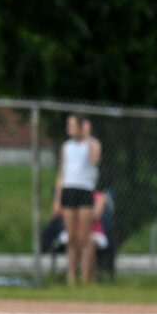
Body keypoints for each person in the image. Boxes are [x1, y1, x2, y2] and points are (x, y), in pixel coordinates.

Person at [53, 115, 102, 285]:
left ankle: (85, 277)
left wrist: (87, 137)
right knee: (71, 237)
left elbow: (94, 160)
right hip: (69, 190)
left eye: (73, 125)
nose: (69, 128)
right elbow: (62, 172)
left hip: (85, 190)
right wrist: (57, 198)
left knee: (84, 237)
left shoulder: (93, 144)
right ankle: (71, 276)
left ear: (81, 127)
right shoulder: (67, 146)